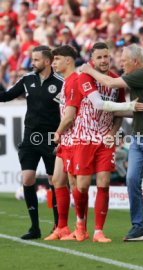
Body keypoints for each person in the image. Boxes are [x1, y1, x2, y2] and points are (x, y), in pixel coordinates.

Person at [81, 43, 143, 242]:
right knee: (131, 180)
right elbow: (134, 110)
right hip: (138, 138)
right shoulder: (141, 78)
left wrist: (88, 70)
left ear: (136, 62)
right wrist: (107, 108)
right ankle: (139, 227)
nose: (121, 64)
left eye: (124, 61)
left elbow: (110, 84)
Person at [62, 42, 143, 243]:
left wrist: (113, 131)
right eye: (99, 57)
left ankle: (99, 230)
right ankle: (80, 223)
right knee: (82, 186)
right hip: (83, 138)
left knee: (104, 182)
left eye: (106, 57)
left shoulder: (116, 80)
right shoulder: (84, 77)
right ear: (92, 59)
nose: (103, 61)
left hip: (104, 139)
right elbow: (99, 104)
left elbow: (117, 113)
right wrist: (131, 106)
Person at [0, 45, 63, 239]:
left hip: (51, 138)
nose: (32, 63)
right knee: (27, 179)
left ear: (47, 61)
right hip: (30, 138)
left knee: (55, 181)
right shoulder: (27, 80)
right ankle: (34, 228)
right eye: (32, 59)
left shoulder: (61, 82)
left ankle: (58, 227)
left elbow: (70, 109)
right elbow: (7, 96)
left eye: (36, 60)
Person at [44, 45, 83, 240]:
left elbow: (70, 115)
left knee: (74, 182)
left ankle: (79, 228)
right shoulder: (66, 82)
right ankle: (62, 227)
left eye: (57, 59)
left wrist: (57, 133)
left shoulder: (75, 81)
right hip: (66, 139)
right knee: (58, 180)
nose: (53, 63)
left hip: (74, 138)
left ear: (68, 60)